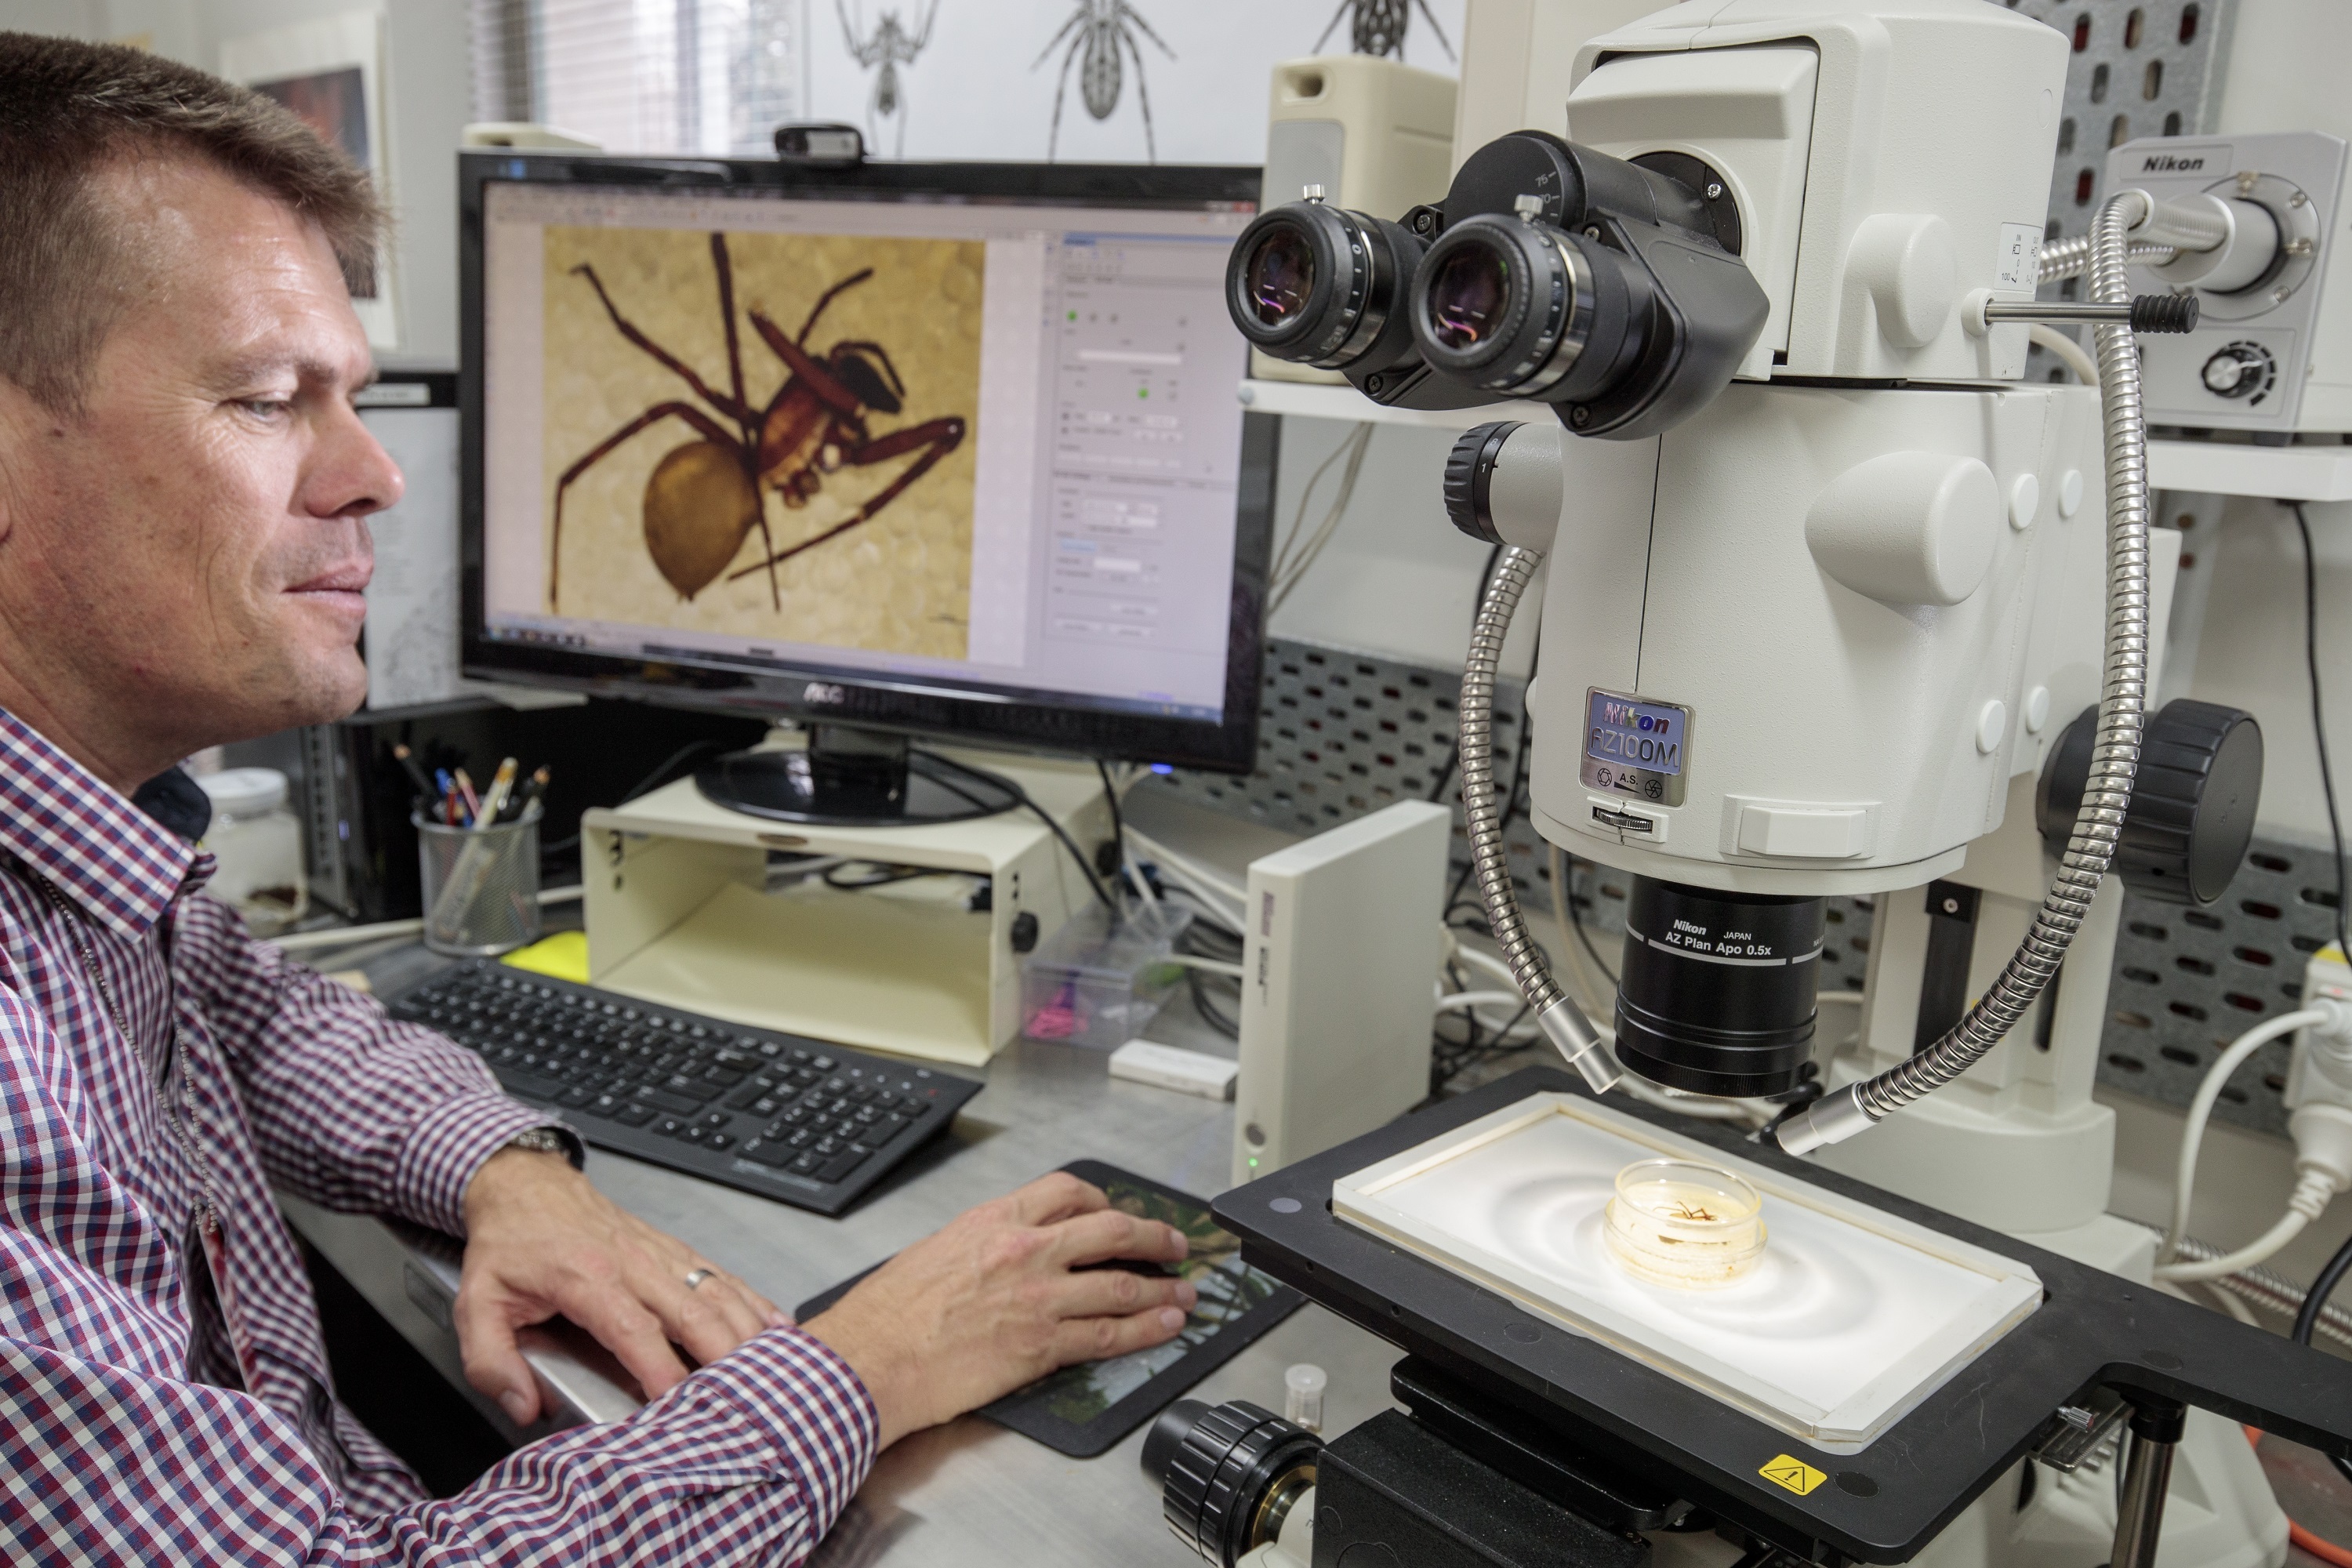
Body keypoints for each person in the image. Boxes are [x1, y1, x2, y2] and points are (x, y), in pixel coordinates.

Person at [0, 32, 1195, 1563]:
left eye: (350, 397)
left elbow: (258, 1016)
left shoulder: (89, 859)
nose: (377, 475)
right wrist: (860, 1364)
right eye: (265, 398)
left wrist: (508, 1168)